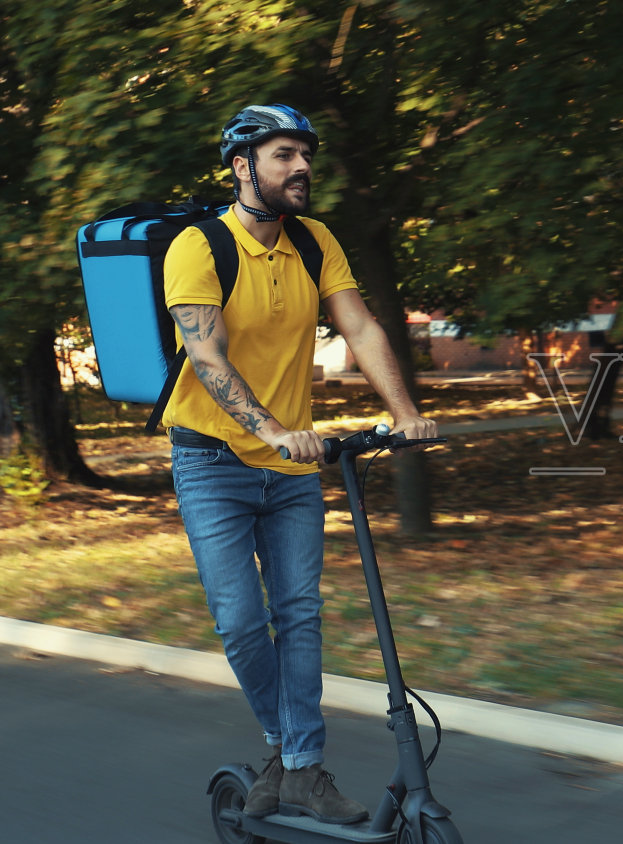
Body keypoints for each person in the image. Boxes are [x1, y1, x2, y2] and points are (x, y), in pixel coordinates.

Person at [161, 103, 436, 825]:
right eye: (284, 155)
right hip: (212, 461)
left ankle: (302, 772)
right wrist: (273, 429)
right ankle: (286, 747)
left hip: (290, 471)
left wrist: (404, 413)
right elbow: (207, 358)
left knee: (300, 616)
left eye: (306, 154)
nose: (303, 167)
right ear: (242, 166)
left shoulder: (315, 242)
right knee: (240, 622)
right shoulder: (197, 247)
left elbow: (360, 324)